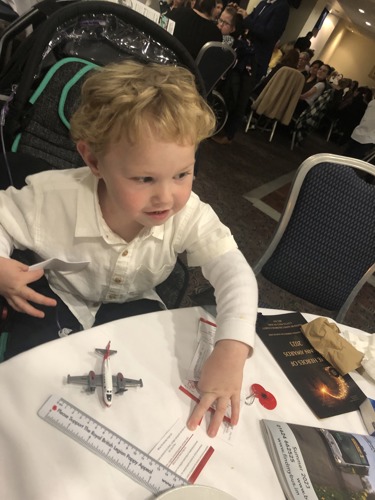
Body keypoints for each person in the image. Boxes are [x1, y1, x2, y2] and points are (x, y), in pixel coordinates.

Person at [0, 60, 258, 438]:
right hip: (59, 298)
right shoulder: (50, 198)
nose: (167, 197)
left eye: (182, 174)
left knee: (155, 400)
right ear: (93, 160)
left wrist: (233, 349)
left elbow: (234, 271)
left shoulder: (188, 215)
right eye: (145, 178)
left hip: (134, 308)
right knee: (26, 394)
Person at [212, 0, 290, 144]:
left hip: (256, 60)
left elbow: (269, 34)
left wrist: (247, 19)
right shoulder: (263, 3)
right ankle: (219, 125)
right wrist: (240, 13)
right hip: (245, 53)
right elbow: (250, 21)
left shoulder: (282, 7)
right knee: (231, 90)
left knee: (241, 98)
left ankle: (229, 135)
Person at [345, 94, 375, 160]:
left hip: (358, 132)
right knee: (351, 161)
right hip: (368, 138)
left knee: (344, 157)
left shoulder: (372, 102)